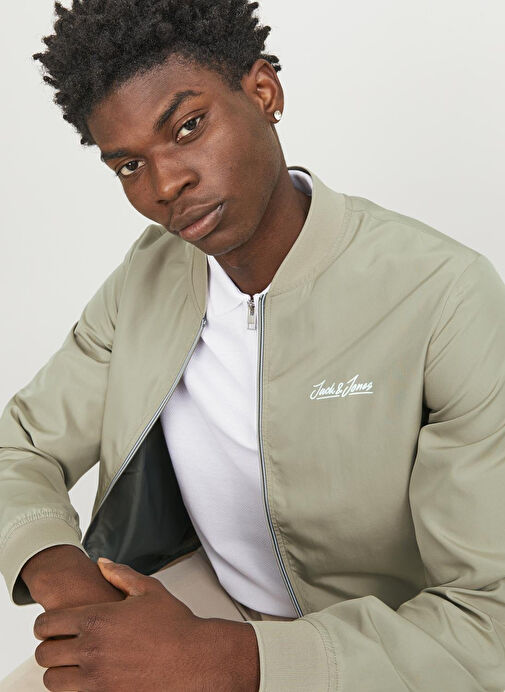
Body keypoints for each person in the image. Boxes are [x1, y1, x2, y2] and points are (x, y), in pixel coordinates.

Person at [1, 0, 505, 690]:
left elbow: (489, 621)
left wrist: (226, 661)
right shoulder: (149, 274)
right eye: (129, 166)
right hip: (197, 605)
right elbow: (20, 448)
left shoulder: (444, 295)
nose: (165, 185)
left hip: (387, 652)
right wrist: (75, 590)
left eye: (188, 127)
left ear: (263, 92)